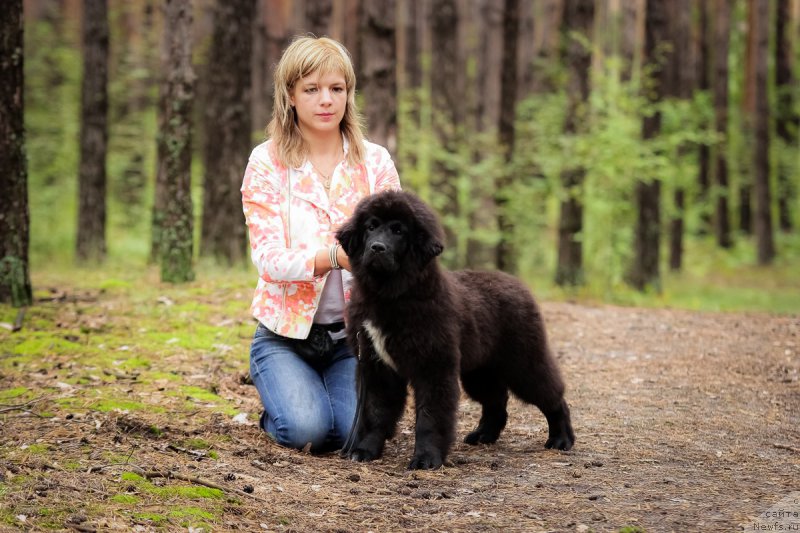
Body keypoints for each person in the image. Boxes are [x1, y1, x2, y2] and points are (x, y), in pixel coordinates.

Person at [241, 35, 401, 453]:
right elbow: (268, 259)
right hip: (284, 337)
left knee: (357, 435)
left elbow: (399, 244)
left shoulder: (375, 162)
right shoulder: (266, 162)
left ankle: (317, 400)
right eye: (311, 89)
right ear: (290, 96)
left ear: (349, 93)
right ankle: (286, 403)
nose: (326, 100)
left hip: (354, 340)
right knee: (304, 431)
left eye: (337, 88)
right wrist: (332, 257)